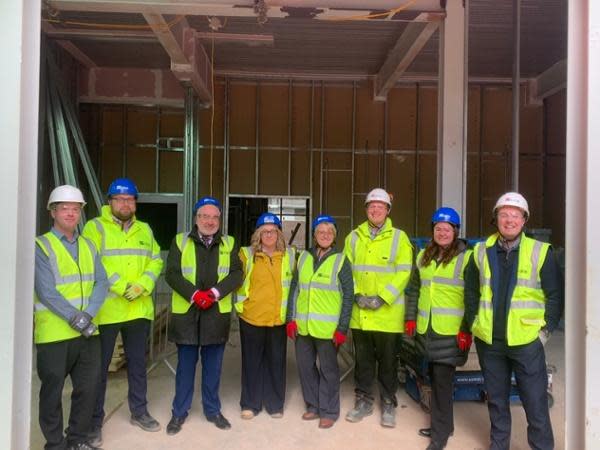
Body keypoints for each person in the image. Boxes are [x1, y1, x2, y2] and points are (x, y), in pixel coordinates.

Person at [464, 192, 563, 450]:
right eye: (504, 214)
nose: (509, 220)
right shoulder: (480, 251)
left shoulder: (540, 252)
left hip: (527, 342)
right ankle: (499, 446)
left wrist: (545, 332)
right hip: (490, 342)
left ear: (524, 220)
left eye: (515, 215)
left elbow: (554, 295)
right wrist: (474, 322)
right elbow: (471, 291)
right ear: (495, 218)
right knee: (496, 400)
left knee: (535, 401)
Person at [82, 178, 163, 446]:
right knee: (98, 369)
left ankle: (139, 412)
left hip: (138, 309)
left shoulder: (145, 229)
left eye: (130, 199)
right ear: (110, 202)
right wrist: (121, 286)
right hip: (106, 309)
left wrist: (144, 284)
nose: (125, 204)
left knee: (138, 366)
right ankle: (94, 423)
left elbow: (155, 260)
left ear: (135, 202)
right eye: (119, 199)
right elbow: (94, 262)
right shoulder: (95, 228)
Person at [34, 185, 108, 450]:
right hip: (55, 335)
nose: (70, 213)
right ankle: (55, 444)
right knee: (52, 392)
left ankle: (77, 440)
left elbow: (102, 283)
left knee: (87, 390)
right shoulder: (41, 245)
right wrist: (74, 316)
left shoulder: (88, 245)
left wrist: (87, 315)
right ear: (53, 212)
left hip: (87, 332)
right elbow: (45, 291)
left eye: (75, 209)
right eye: (64, 208)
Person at [164, 196, 243, 434]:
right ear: (196, 218)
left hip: (215, 316)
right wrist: (195, 294)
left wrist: (215, 293)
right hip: (187, 316)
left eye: (215, 217)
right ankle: (179, 413)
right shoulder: (180, 241)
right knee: (185, 368)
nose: (210, 221)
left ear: (220, 219)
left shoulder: (229, 243)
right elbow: (172, 274)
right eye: (205, 216)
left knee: (213, 368)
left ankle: (212, 410)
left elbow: (236, 274)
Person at [344, 188, 413, 428]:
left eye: (380, 206)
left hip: (387, 315)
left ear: (388, 210)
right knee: (363, 361)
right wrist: (356, 294)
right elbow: (345, 270)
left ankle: (388, 403)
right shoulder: (353, 237)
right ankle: (363, 401)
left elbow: (405, 271)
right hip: (361, 313)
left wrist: (383, 298)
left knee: (387, 363)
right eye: (371, 205)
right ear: (366, 209)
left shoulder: (399, 238)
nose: (375, 209)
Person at [404, 207, 473, 450]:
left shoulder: (466, 258)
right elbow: (414, 289)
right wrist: (410, 317)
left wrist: (467, 328)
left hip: (451, 332)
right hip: (427, 329)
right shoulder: (424, 256)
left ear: (455, 232)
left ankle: (439, 435)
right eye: (437, 229)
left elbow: (472, 297)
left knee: (442, 383)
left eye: (447, 229)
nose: (442, 233)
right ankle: (446, 425)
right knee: (434, 379)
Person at [286, 215, 354, 429]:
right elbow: (294, 289)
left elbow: (348, 296)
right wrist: (291, 319)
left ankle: (329, 410)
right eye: (320, 231)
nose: (325, 235)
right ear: (314, 235)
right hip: (303, 327)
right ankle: (313, 405)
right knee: (305, 367)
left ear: (334, 237)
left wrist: (342, 328)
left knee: (328, 370)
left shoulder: (341, 260)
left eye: (329, 232)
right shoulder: (304, 257)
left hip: (328, 329)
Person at [235, 212, 296, 420]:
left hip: (277, 319)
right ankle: (250, 404)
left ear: (279, 234)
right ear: (258, 234)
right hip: (251, 317)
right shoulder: (246, 254)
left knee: (276, 362)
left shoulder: (290, 256)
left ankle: (275, 404)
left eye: (273, 231)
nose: (269, 235)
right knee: (251, 362)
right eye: (265, 231)